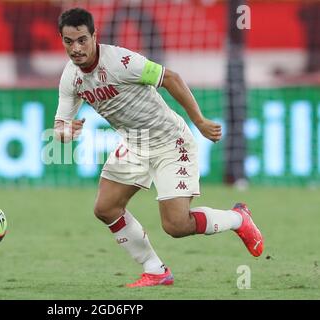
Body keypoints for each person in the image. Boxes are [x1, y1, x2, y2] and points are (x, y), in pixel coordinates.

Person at [54, 8, 264, 288]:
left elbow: (171, 78)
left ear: (95, 36)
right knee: (105, 208)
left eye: (82, 40)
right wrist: (65, 133)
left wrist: (199, 121)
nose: (76, 48)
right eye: (69, 42)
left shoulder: (121, 61)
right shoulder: (71, 78)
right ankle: (155, 270)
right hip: (134, 143)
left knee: (176, 226)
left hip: (169, 141)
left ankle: (238, 218)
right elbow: (61, 126)